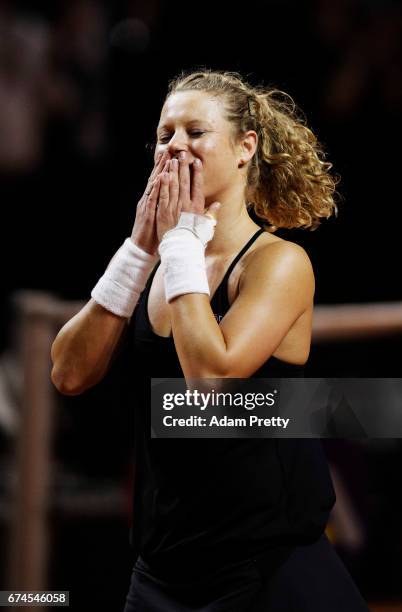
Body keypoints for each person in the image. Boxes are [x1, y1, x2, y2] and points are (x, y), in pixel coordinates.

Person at [50, 69, 369, 611]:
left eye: (195, 132)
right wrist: (136, 250)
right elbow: (68, 373)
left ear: (246, 148)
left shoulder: (280, 263)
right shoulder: (159, 264)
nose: (174, 146)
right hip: (163, 572)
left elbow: (210, 381)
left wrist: (177, 246)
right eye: (163, 134)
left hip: (268, 572)